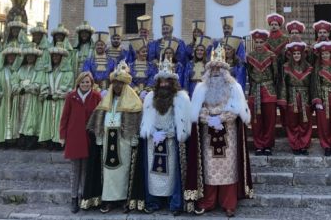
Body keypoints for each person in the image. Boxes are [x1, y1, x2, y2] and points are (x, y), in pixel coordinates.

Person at [189, 44, 253, 217]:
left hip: (228, 133)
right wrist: (208, 118)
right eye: (213, 67)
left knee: (228, 168)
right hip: (208, 132)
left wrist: (222, 118)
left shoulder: (234, 87)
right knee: (209, 168)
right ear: (209, 69)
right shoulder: (201, 88)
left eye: (219, 67)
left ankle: (229, 203)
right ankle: (208, 202)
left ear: (225, 69)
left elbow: (239, 111)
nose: (216, 70)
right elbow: (195, 111)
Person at [86, 63, 144, 213]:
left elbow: (136, 121)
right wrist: (99, 135)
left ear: (125, 84)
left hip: (123, 141)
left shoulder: (134, 102)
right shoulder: (106, 100)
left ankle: (124, 200)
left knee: (123, 172)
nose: (117, 86)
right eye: (115, 83)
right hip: (107, 140)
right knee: (108, 173)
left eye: (120, 83)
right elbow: (98, 118)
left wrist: (134, 137)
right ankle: (108, 200)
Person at [139, 59, 192, 216]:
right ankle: (154, 202)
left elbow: (183, 121)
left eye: (167, 80)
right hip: (153, 142)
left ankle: (173, 203)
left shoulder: (181, 98)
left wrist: (170, 133)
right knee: (153, 173)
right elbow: (146, 119)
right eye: (161, 81)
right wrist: (153, 133)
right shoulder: (149, 97)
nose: (164, 84)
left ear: (173, 81)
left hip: (170, 141)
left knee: (171, 174)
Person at [60, 72, 102, 213]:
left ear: (91, 83)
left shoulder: (96, 96)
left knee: (86, 170)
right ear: (78, 83)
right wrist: (62, 135)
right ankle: (74, 198)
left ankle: (85, 197)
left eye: (88, 82)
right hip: (74, 137)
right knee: (75, 170)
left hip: (89, 138)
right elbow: (65, 117)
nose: (85, 84)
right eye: (83, 82)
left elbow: (100, 115)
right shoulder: (71, 96)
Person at [278, 41, 314, 155]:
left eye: (299, 53)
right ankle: (295, 145)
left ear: (302, 54)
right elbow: (283, 84)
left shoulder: (309, 67)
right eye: (294, 54)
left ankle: (304, 145)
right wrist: (283, 99)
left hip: (305, 97)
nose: (297, 55)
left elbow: (313, 85)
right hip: (291, 97)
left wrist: (314, 99)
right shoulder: (286, 67)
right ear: (291, 55)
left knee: (305, 122)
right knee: (292, 123)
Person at [246, 29, 278, 156]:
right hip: (255, 91)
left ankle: (268, 145)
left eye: (261, 42)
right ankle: (259, 145)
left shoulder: (271, 55)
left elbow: (276, 74)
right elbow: (249, 72)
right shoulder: (250, 56)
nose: (259, 44)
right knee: (256, 120)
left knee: (270, 120)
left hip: (268, 90)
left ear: (265, 42)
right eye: (257, 42)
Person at [38, 43, 74, 150]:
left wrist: (56, 95)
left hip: (60, 101)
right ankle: (49, 140)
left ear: (62, 57)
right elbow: (43, 83)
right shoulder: (47, 71)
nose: (55, 58)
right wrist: (46, 93)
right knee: (48, 120)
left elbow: (67, 86)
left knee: (60, 120)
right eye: (53, 56)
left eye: (57, 56)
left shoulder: (68, 72)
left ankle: (60, 141)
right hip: (49, 101)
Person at [312, 41, 331, 156]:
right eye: (323, 53)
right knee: (323, 122)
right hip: (323, 95)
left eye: (327, 53)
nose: (325, 55)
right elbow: (315, 82)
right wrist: (317, 99)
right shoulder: (318, 66)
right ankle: (326, 145)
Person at [14, 43, 44, 150]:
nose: (30, 58)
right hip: (21, 98)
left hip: (32, 99)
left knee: (31, 119)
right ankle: (21, 141)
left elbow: (38, 84)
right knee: (21, 119)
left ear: (35, 57)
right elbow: (15, 81)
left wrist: (26, 88)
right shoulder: (21, 69)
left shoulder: (39, 70)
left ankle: (31, 142)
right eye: (28, 56)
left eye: (32, 56)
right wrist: (18, 88)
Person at [0, 45, 23, 146]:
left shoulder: (20, 70)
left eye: (13, 56)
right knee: (2, 120)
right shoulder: (1, 70)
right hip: (4, 100)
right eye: (9, 56)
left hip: (17, 101)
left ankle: (14, 140)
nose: (11, 58)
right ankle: (2, 140)